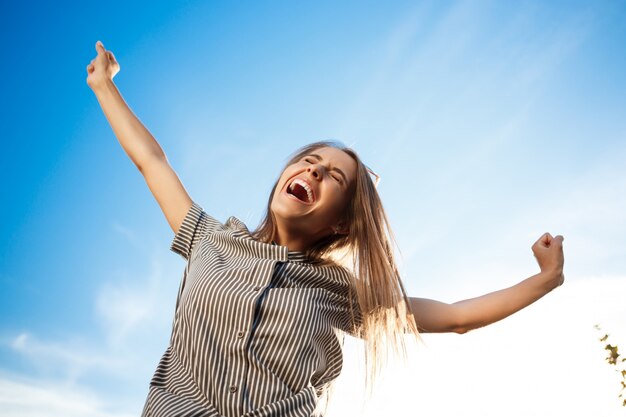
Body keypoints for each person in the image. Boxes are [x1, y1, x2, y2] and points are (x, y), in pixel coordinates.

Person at [86, 40, 566, 417]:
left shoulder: (339, 291)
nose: (314, 171)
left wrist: (543, 280)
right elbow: (152, 162)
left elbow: (455, 317)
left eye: (333, 176)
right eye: (310, 162)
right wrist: (105, 86)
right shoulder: (209, 240)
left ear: (342, 220)